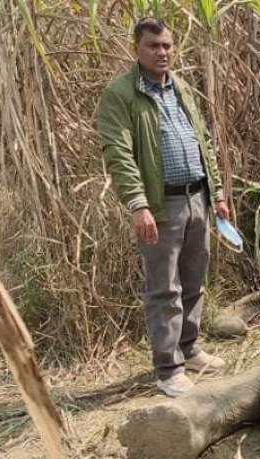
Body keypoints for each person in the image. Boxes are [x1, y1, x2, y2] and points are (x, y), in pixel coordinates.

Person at [96, 18, 230, 397]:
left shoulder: (182, 89)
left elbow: (204, 143)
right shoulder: (120, 94)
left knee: (193, 280)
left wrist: (217, 194)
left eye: (168, 45)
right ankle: (168, 369)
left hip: (197, 198)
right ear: (136, 49)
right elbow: (119, 154)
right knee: (163, 289)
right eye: (154, 46)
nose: (163, 52)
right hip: (160, 204)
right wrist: (138, 205)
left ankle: (189, 349)